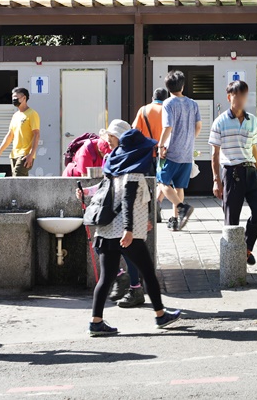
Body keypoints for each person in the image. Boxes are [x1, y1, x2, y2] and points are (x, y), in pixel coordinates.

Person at [78, 119, 181, 335]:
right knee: (148, 274)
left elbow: (105, 191)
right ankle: (160, 316)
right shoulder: (133, 170)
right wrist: (129, 230)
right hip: (126, 233)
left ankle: (95, 322)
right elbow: (127, 199)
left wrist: (86, 192)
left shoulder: (115, 165)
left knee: (106, 278)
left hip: (106, 231)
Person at [119, 87, 168, 307]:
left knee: (141, 187)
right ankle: (157, 210)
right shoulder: (168, 109)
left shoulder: (144, 110)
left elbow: (135, 132)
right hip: (162, 155)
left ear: (152, 97)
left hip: (145, 156)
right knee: (156, 186)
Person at [209, 80, 257, 266]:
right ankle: (231, 261)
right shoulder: (220, 122)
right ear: (229, 97)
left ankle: (246, 248)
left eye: (244, 96)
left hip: (251, 171)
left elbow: (255, 149)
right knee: (232, 220)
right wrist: (216, 180)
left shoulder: (253, 120)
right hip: (231, 173)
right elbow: (215, 154)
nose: (240, 99)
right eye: (237, 96)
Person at [157, 72, 201, 231]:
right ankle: (176, 220)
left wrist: (161, 146)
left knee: (162, 182)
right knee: (179, 187)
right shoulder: (193, 103)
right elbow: (199, 126)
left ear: (167, 87)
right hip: (187, 153)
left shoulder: (168, 103)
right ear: (182, 86)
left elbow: (167, 127)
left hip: (172, 151)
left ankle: (182, 208)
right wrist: (189, 140)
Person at [0, 87, 40, 177]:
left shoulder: (32, 114)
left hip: (25, 154)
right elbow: (10, 135)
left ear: (24, 98)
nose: (14, 100)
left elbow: (36, 134)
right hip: (14, 154)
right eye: (13, 97)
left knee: (17, 176)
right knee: (20, 182)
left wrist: (31, 154)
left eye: (16, 97)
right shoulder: (15, 116)